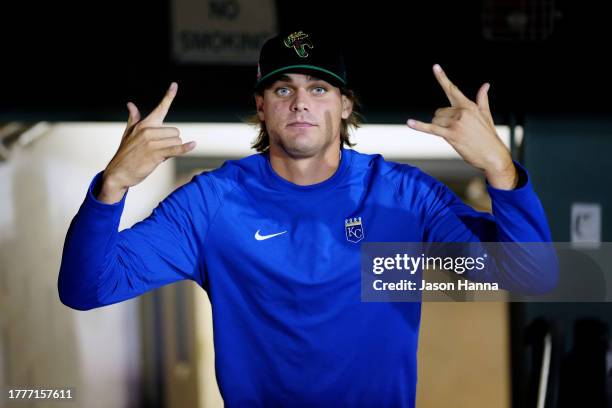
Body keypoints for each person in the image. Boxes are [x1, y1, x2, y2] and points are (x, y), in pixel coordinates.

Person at [58, 29, 557, 407]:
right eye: (282, 89)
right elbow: (85, 288)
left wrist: (500, 168)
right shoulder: (211, 203)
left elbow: (535, 277)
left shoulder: (402, 194)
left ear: (344, 105)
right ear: (260, 106)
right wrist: (112, 187)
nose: (300, 102)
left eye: (319, 88)